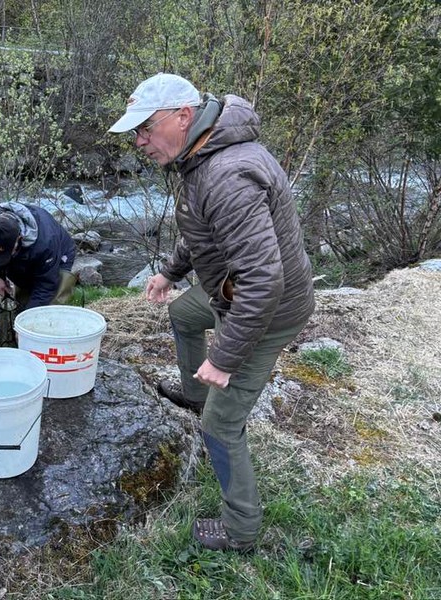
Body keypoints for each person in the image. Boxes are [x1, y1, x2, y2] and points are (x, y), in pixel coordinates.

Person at [109, 73, 315, 552]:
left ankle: (240, 530)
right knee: (184, 315)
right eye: (135, 132)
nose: (139, 141)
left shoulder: (226, 175)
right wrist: (170, 272)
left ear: (183, 116)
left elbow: (263, 281)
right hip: (233, 293)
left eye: (145, 128)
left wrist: (223, 359)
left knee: (221, 427)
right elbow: (203, 230)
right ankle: (195, 395)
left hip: (267, 309)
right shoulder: (203, 154)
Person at [0, 201, 78, 309]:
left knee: (50, 304)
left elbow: (46, 285)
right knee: (23, 299)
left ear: (19, 239)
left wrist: (29, 314)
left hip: (58, 256)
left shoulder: (46, 244)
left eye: (5, 254)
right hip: (23, 256)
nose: (0, 258)